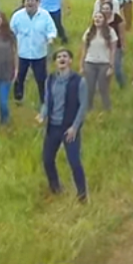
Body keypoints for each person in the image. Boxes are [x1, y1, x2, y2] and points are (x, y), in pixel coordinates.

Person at [37, 49, 88, 202]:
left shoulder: (79, 81)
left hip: (69, 128)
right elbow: (47, 102)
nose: (62, 59)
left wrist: (75, 127)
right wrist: (42, 114)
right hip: (53, 127)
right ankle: (55, 188)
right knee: (47, 159)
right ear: (55, 62)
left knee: (74, 161)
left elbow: (83, 106)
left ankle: (82, 195)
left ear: (70, 61)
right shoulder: (50, 80)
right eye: (59, 57)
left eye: (65, 56)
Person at [10, 0, 58, 107]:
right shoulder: (18, 16)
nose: (30, 3)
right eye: (27, 1)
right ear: (24, 3)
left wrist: (50, 38)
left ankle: (44, 101)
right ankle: (18, 99)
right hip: (22, 53)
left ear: (38, 2)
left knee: (41, 79)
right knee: (19, 77)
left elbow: (52, 30)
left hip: (39, 53)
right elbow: (11, 32)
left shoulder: (45, 15)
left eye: (32, 1)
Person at [80, 11, 117, 112]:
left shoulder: (110, 32)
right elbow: (84, 50)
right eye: (96, 17)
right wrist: (81, 66)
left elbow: (113, 50)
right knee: (89, 88)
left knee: (103, 88)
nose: (97, 19)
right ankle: (88, 108)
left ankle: (107, 109)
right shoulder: (89, 32)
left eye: (100, 17)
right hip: (90, 63)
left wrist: (111, 66)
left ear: (104, 19)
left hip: (104, 63)